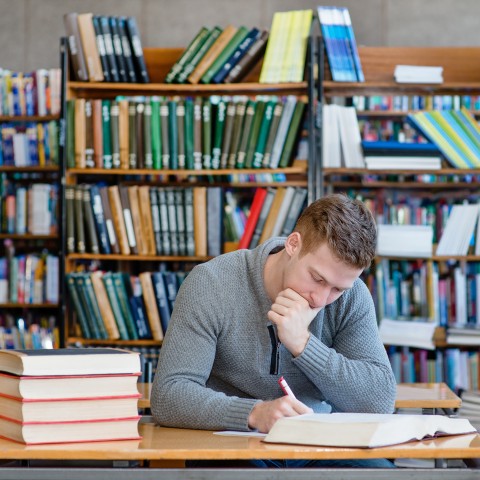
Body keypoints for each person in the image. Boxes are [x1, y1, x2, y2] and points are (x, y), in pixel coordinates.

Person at [151, 193, 396, 469]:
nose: (320, 298)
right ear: (293, 244)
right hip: (235, 443)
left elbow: (379, 399)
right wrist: (254, 413)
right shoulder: (212, 283)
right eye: (317, 278)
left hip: (317, 444)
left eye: (338, 289)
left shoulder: (353, 298)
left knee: (383, 474)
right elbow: (169, 395)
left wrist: (303, 344)